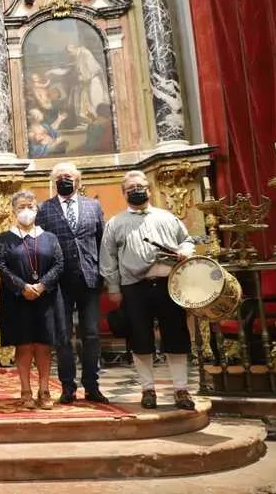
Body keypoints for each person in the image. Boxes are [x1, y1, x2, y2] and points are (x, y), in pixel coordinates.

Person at [100, 171, 196, 410]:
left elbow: (187, 241)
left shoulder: (167, 217)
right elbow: (108, 258)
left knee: (176, 336)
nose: (136, 190)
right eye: (131, 187)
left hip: (168, 286)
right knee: (140, 339)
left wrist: (186, 251)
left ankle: (181, 389)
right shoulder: (115, 223)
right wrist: (113, 287)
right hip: (134, 288)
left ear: (149, 189)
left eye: (141, 186)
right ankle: (147, 389)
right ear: (123, 193)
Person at [35, 163, 108, 405]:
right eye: (59, 177)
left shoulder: (93, 205)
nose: (64, 180)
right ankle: (68, 386)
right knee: (63, 336)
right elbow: (41, 246)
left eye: (68, 176)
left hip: (89, 277)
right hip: (59, 282)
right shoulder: (44, 209)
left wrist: (105, 274)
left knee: (91, 334)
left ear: (77, 180)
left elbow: (101, 241)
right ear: (53, 181)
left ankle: (92, 385)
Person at [0, 190, 66, 410]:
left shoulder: (49, 237)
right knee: (24, 345)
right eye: (21, 207)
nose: (26, 211)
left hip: (46, 298)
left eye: (30, 206)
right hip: (17, 299)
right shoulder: (5, 238)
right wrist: (23, 286)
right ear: (14, 211)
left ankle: (44, 390)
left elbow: (59, 263)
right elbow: (1, 265)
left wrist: (42, 285)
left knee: (44, 345)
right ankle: (25, 390)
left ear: (37, 209)